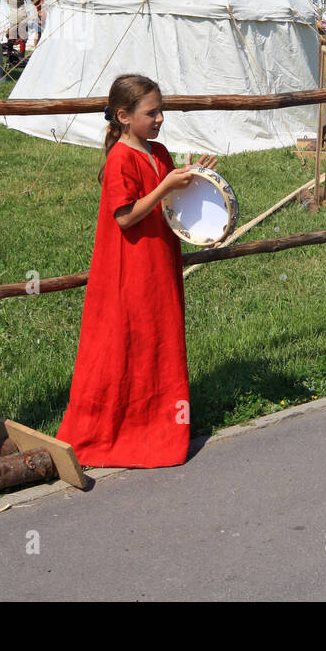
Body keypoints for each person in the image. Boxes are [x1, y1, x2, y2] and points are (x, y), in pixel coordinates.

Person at [57, 74, 216, 466]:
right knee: (126, 340)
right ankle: (113, 431)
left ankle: (159, 429)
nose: (160, 118)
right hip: (130, 266)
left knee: (157, 339)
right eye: (152, 112)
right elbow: (126, 217)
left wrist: (191, 178)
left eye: (161, 110)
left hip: (159, 260)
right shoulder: (119, 160)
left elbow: (167, 204)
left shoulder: (157, 153)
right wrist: (165, 187)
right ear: (124, 116)